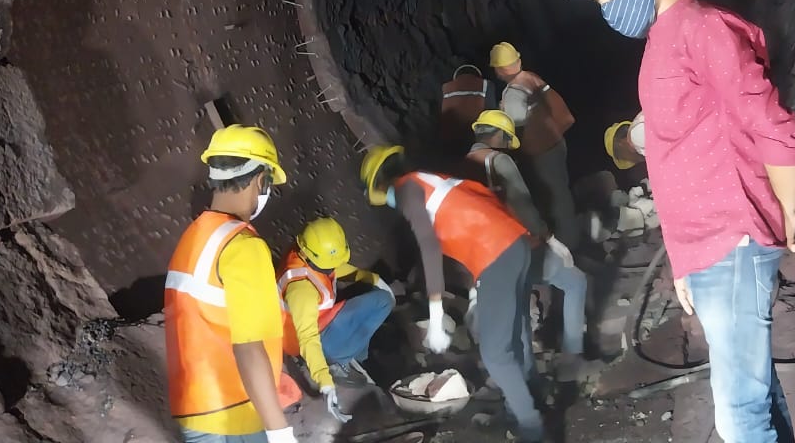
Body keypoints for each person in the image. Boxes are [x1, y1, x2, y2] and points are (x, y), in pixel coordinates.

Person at [567, 0, 795, 443]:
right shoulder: (662, 38)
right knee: (756, 392)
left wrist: (786, 210)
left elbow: (771, 125)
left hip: (732, 240)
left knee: (738, 416)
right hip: (707, 249)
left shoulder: (702, 29)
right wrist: (684, 261)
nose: (607, 7)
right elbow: (675, 157)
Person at [359, 145, 545, 443]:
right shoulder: (433, 182)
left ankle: (532, 430)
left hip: (496, 255)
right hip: (515, 244)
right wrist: (476, 289)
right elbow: (475, 219)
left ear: (380, 183)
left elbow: (430, 247)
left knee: (496, 356)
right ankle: (525, 402)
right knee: (516, 333)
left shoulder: (406, 190)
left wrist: (436, 318)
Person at [164, 124, 298, 443]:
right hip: (232, 409)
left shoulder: (196, 236)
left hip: (195, 406)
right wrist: (280, 431)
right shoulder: (244, 246)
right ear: (260, 180)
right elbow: (249, 348)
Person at [465, 110, 594, 380]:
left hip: (484, 254)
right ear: (499, 135)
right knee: (575, 282)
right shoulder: (498, 161)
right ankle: (572, 357)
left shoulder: (460, 166)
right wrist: (549, 238)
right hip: (517, 247)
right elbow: (523, 205)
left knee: (519, 310)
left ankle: (529, 378)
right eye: (507, 139)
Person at [278, 217, 395, 422]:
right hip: (310, 339)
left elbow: (334, 268)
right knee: (382, 301)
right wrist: (324, 379)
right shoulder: (302, 289)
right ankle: (337, 361)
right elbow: (307, 338)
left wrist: (371, 277)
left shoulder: (305, 254)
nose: (331, 268)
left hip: (318, 321)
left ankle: (358, 356)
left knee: (369, 291)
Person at [490, 41, 580, 249]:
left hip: (541, 153)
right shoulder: (530, 77)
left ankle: (568, 246)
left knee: (554, 199)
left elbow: (516, 129)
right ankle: (571, 236)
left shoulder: (513, 93)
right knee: (561, 193)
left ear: (500, 69)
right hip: (556, 143)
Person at [440, 64, 498, 156]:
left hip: (451, 140)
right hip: (476, 139)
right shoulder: (486, 85)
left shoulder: (446, 88)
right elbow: (492, 113)